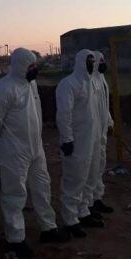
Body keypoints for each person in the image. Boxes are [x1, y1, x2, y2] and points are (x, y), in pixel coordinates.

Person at [0, 48, 69, 259]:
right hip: (14, 150)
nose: (35, 69)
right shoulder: (4, 88)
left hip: (35, 147)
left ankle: (48, 228)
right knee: (15, 194)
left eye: (35, 65)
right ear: (21, 65)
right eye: (31, 66)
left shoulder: (30, 85)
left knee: (42, 187)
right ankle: (15, 239)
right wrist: (12, 138)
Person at [56, 49, 103, 238]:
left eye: (94, 61)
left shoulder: (90, 82)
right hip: (76, 142)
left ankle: (83, 212)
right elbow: (64, 114)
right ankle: (70, 219)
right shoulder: (68, 84)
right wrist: (67, 139)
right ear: (81, 62)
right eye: (89, 61)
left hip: (91, 140)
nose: (92, 64)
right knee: (74, 180)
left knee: (90, 177)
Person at [90, 51, 114, 215]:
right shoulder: (90, 81)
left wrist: (110, 122)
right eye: (102, 61)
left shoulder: (101, 80)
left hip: (102, 130)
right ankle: (88, 202)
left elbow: (105, 105)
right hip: (93, 131)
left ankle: (97, 198)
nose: (104, 63)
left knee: (100, 167)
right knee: (91, 168)